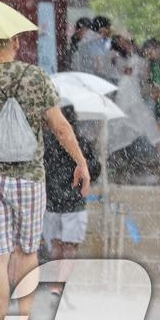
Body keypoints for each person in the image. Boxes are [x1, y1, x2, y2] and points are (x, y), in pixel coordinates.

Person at [0, 36, 90, 320]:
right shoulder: (35, 76)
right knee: (27, 252)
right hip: (29, 180)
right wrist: (80, 161)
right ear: (15, 42)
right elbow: (60, 127)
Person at [43, 103, 102, 300]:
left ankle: (55, 283)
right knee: (70, 247)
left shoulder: (46, 142)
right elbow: (94, 170)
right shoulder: (82, 143)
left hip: (51, 202)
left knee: (56, 246)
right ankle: (60, 285)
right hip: (74, 204)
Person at [143, 39, 160, 182]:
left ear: (157, 48)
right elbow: (150, 82)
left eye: (150, 52)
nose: (149, 56)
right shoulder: (155, 62)